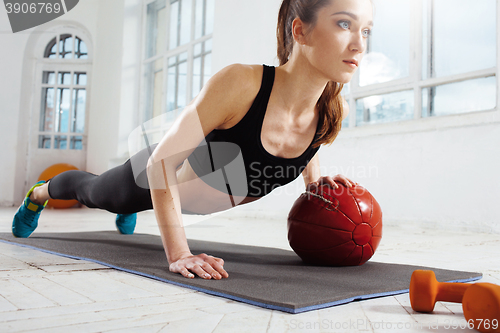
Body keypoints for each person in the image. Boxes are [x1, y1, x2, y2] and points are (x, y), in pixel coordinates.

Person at [12, 0, 373, 280]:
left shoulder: (327, 110)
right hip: (154, 174)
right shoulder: (241, 84)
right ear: (301, 31)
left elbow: (302, 142)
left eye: (366, 30)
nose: (359, 44)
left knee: (121, 204)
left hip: (185, 198)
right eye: (344, 24)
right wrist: (179, 253)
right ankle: (40, 193)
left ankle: (127, 212)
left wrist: (315, 183)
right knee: (95, 194)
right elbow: (161, 165)